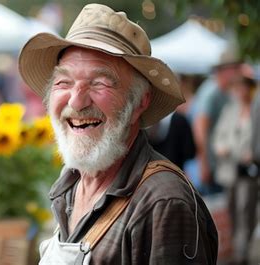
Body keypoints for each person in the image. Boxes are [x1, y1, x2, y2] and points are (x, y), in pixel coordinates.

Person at [18, 4, 218, 264]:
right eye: (63, 82)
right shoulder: (71, 184)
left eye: (99, 83)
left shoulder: (163, 203)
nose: (76, 102)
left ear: (140, 102)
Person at [212, 72, 258, 265]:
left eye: (243, 87)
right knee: (231, 209)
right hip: (230, 168)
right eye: (237, 88)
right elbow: (217, 138)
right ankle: (234, 248)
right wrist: (223, 148)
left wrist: (253, 154)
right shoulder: (230, 110)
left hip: (249, 171)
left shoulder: (256, 111)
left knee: (245, 209)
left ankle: (241, 253)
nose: (240, 92)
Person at [192, 51, 242, 194]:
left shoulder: (226, 92)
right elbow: (199, 128)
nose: (238, 72)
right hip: (209, 164)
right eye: (235, 68)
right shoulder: (211, 93)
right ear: (225, 70)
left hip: (219, 163)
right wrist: (204, 163)